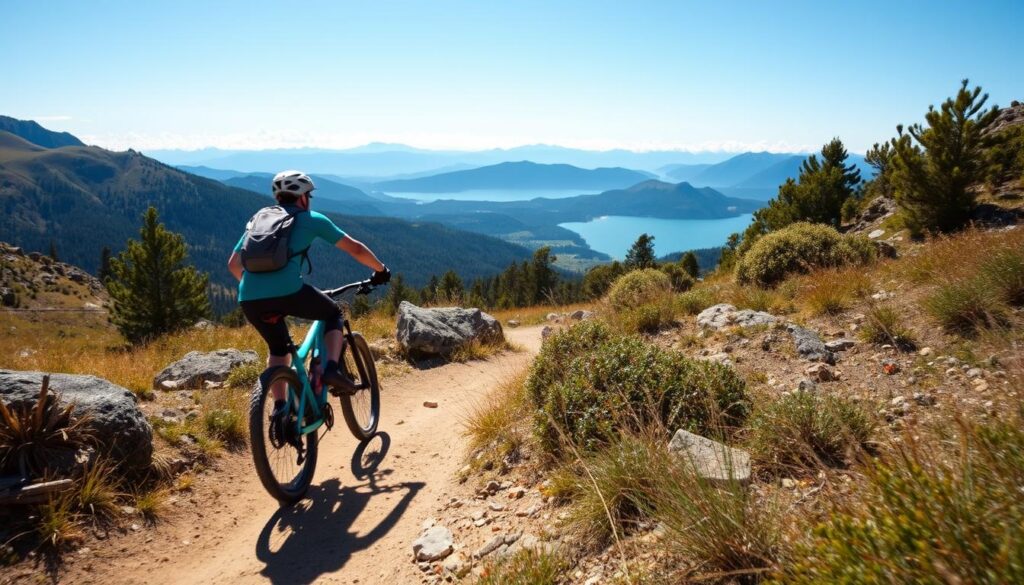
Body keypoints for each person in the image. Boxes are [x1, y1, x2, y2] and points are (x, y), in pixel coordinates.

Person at [227, 170, 390, 419]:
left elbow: (233, 265)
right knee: (333, 312)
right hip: (289, 292)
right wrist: (381, 270)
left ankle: (280, 409)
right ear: (303, 197)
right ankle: (332, 369)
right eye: (309, 195)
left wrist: (259, 289)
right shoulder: (311, 219)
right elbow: (355, 248)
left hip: (249, 298)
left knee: (278, 350)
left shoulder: (260, 220)